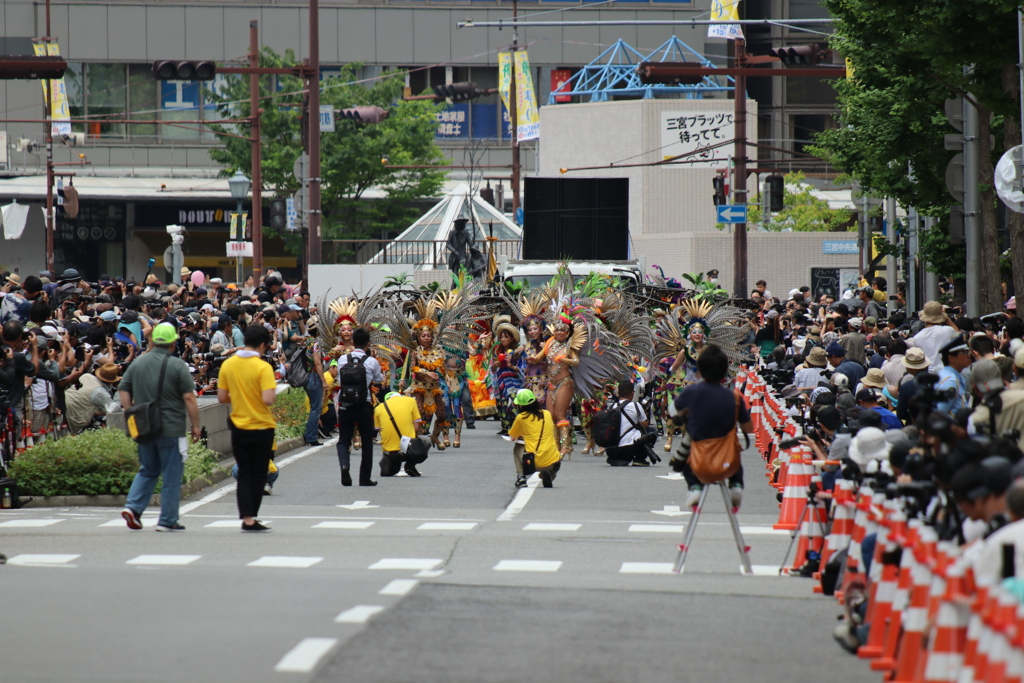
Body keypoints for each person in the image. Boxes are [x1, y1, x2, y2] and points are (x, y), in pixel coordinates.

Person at [118, 322, 201, 532]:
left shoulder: (138, 363)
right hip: (170, 428)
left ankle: (133, 507)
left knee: (148, 469)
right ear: (173, 343)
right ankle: (167, 520)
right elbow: (189, 398)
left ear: (153, 341)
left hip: (144, 426)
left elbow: (123, 389)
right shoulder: (177, 365)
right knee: (172, 474)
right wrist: (196, 426)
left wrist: (131, 415)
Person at [673, 344, 752, 509]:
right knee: (738, 465)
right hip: (727, 462)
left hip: (699, 462)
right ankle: (736, 485)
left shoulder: (691, 392)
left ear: (699, 368)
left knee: (686, 465)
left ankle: (694, 487)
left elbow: (674, 411)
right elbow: (749, 428)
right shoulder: (734, 398)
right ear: (724, 372)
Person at [217, 324, 278, 532]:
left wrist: (241, 395)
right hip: (261, 426)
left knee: (244, 472)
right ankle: (252, 517)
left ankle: (247, 517)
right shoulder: (263, 367)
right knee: (259, 473)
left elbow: (222, 397)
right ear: (262, 345)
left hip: (238, 426)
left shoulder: (228, 365)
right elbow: (268, 399)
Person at [335, 327, 384, 487]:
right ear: (368, 344)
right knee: (367, 442)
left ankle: (344, 466)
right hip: (364, 405)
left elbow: (338, 378)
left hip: (345, 405)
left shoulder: (343, 359)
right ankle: (364, 478)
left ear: (353, 342)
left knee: (343, 440)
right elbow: (378, 379)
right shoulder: (371, 362)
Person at [508, 388, 561, 488]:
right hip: (552, 462)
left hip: (531, 462)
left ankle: (521, 477)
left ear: (520, 405)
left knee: (518, 446)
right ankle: (549, 473)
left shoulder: (521, 417)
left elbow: (512, 437)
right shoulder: (547, 414)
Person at [604, 380, 653, 467]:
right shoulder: (636, 405)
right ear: (632, 393)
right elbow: (645, 425)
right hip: (628, 449)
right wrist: (645, 415)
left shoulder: (612, 407)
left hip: (611, 450)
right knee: (651, 431)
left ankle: (617, 458)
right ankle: (639, 459)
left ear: (618, 393)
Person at [374, 391, 423, 477]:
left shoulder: (378, 408)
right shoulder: (410, 401)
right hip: (408, 449)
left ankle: (386, 459)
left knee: (394, 470)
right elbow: (416, 427)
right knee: (426, 440)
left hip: (390, 451)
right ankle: (410, 465)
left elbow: (381, 432)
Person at [907, 300, 961, 373]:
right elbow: (959, 335)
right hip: (946, 371)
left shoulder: (917, 337)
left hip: (928, 373)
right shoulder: (948, 331)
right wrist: (947, 318)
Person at [936, 337, 971, 417]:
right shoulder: (950, 381)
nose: (968, 356)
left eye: (967, 351)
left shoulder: (949, 375)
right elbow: (940, 414)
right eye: (963, 352)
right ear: (951, 358)